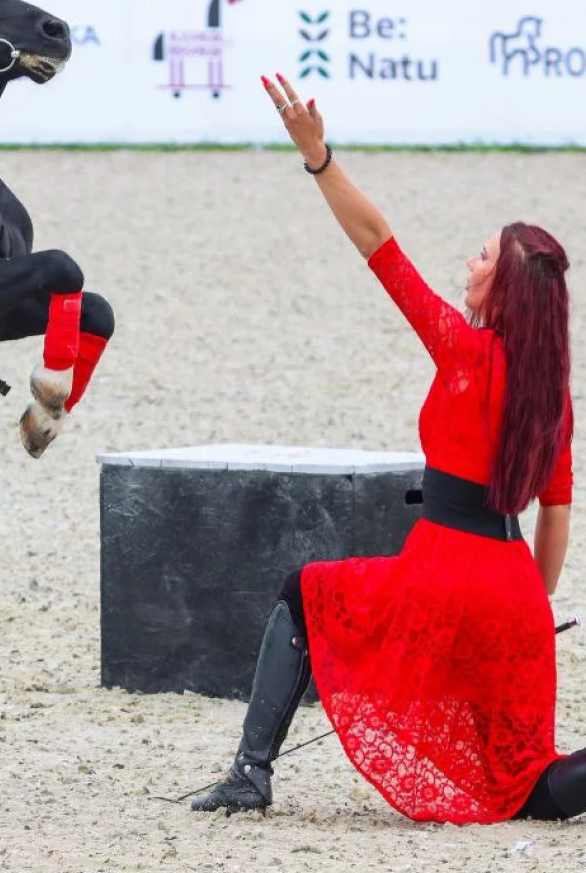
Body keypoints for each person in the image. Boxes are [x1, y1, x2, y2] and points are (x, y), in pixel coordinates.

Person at [191, 73, 578, 824]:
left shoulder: (462, 352)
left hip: (440, 575)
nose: (468, 263)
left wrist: (319, 158)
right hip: (516, 600)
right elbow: (556, 518)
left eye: (480, 256)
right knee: (529, 783)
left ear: (502, 289)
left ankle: (250, 772)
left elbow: (377, 242)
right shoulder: (551, 393)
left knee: (302, 591)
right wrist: (533, 601)